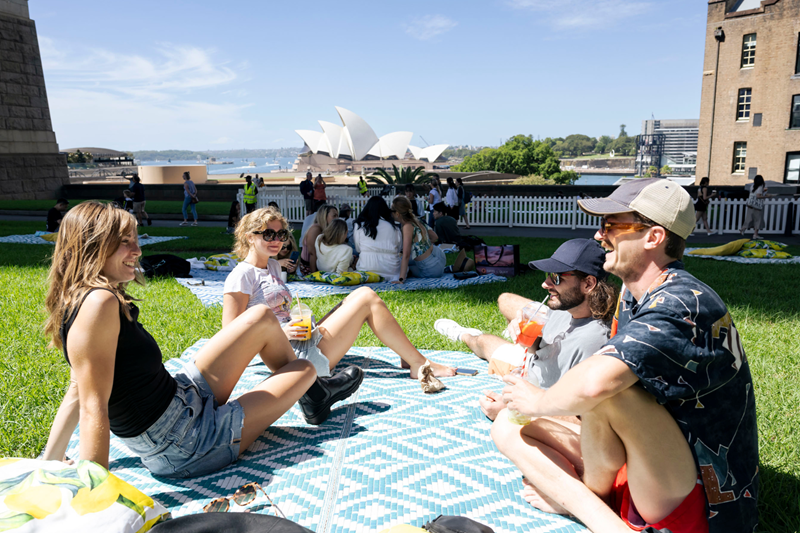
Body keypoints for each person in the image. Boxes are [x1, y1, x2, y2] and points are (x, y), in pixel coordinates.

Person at [492, 178, 758, 533]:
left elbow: (595, 385)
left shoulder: (683, 301)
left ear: (653, 237)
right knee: (508, 427)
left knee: (609, 390)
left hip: (700, 497)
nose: (600, 236)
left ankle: (598, 517)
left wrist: (538, 401)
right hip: (647, 465)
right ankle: (595, 501)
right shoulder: (636, 295)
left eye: (611, 226)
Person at [41, 201, 358, 478]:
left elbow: (76, 387)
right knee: (303, 370)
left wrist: (51, 459)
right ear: (92, 245)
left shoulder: (82, 299)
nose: (137, 251)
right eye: (125, 242)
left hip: (179, 396)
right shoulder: (99, 303)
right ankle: (316, 394)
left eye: (135, 240)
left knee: (261, 316)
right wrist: (94, 497)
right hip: (183, 442)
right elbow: (92, 403)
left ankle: (315, 395)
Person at [223, 207, 455, 380]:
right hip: (294, 359)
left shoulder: (273, 265)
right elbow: (230, 337)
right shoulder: (242, 275)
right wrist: (282, 332)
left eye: (281, 234)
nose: (276, 240)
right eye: (268, 234)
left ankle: (407, 355)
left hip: (303, 341)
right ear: (249, 237)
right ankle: (419, 364)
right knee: (366, 298)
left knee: (355, 297)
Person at [435, 238, 614, 384]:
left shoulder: (590, 343)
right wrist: (532, 340)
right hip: (538, 348)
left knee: (482, 341)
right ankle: (509, 333)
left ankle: (462, 334)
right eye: (548, 276)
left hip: (527, 366)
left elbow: (554, 399)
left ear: (588, 284)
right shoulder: (570, 307)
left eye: (557, 278)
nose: (545, 284)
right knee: (505, 299)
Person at [391, 196, 444, 281]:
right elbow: (435, 237)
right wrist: (423, 245)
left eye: (391, 211)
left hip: (432, 269)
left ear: (397, 213)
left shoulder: (407, 227)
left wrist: (401, 279)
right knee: (407, 262)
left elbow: (406, 255)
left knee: (401, 266)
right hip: (440, 257)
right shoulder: (417, 221)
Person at [353, 196, 402, 281]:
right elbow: (398, 249)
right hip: (391, 271)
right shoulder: (395, 228)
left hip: (366, 269)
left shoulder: (359, 226)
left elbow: (358, 249)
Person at [299, 205, 338, 275]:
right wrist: (314, 275)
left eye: (337, 216)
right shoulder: (315, 229)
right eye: (334, 215)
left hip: (320, 263)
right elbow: (312, 254)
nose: (337, 218)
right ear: (324, 216)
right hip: (309, 266)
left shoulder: (327, 229)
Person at [739, 174, 771, 240]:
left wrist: (763, 191)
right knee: (758, 220)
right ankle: (755, 234)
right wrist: (766, 196)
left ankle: (742, 229)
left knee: (749, 218)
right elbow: (758, 196)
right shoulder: (760, 187)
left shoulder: (752, 186)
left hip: (750, 204)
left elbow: (754, 194)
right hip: (757, 206)